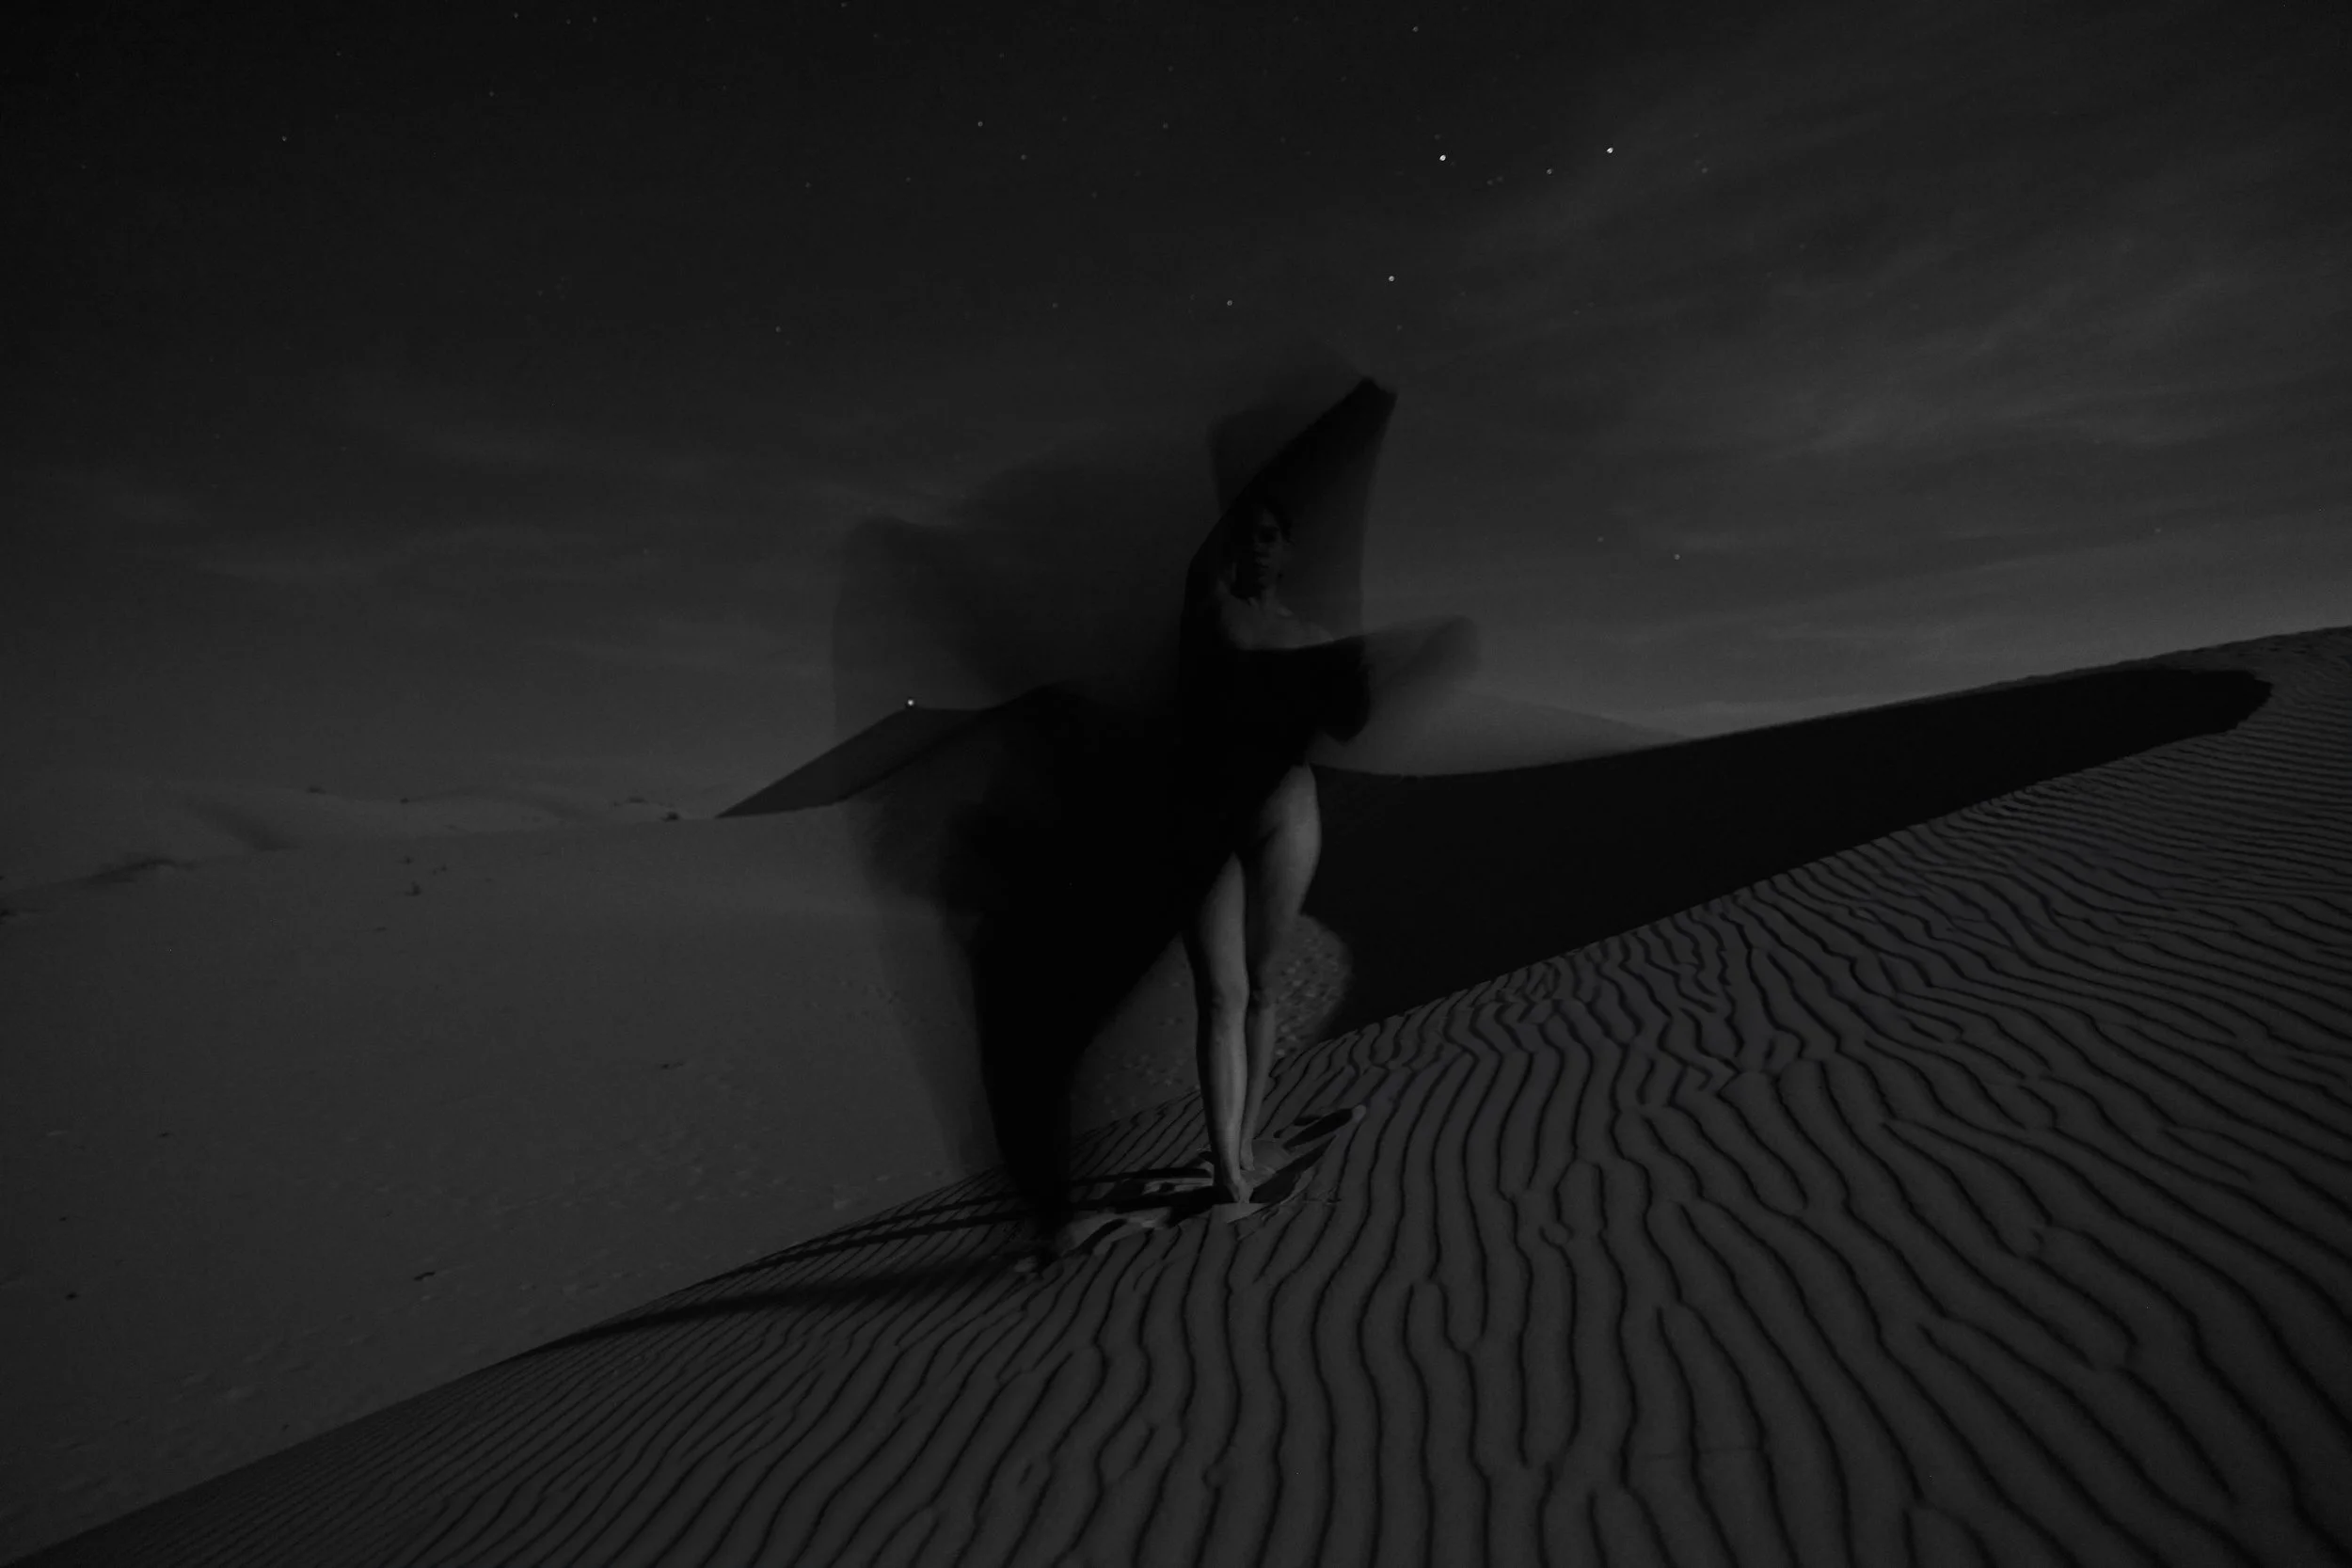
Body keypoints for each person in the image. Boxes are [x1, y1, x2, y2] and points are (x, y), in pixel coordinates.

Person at [1174, 490, 1472, 1205]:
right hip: (1201, 816)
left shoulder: (1311, 633)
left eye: (1273, 535)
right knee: (1221, 991)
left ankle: (1245, 1141)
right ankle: (1225, 1170)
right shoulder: (1209, 612)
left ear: (1290, 550)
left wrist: (1419, 660)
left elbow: (1348, 720)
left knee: (1263, 984)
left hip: (1286, 811)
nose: (1259, 548)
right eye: (1248, 536)